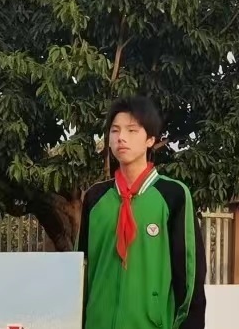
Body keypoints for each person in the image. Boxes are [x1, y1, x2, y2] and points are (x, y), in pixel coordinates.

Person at [76, 96, 206, 329]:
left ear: (150, 139)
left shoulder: (173, 195)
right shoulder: (95, 198)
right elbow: (81, 269)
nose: (121, 137)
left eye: (132, 130)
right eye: (115, 130)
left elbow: (189, 275)